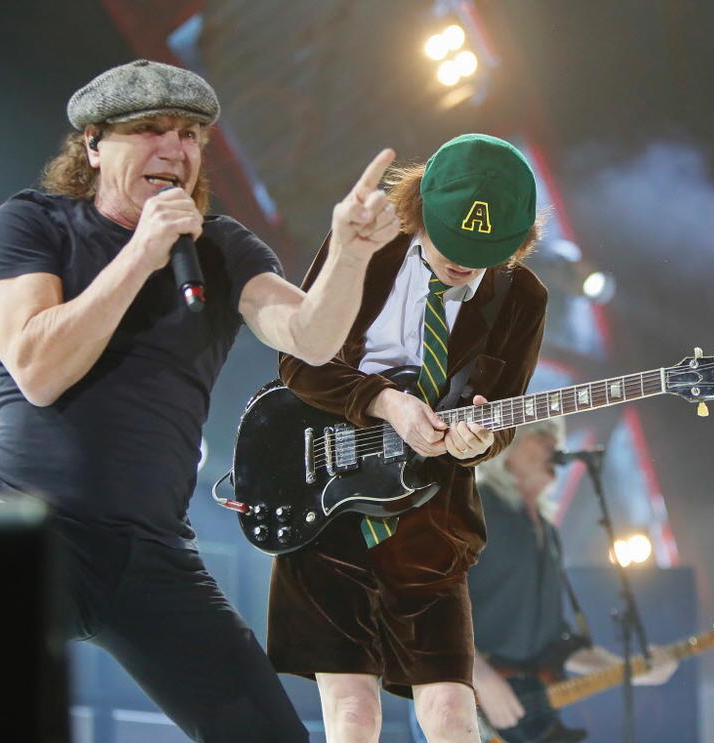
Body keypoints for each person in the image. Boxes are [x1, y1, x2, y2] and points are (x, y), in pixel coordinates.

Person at [0, 59, 400, 743]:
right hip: (32, 533)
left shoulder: (221, 247)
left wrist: (349, 254)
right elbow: (37, 368)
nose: (176, 149)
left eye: (191, 134)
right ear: (92, 143)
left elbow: (311, 338)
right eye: (151, 129)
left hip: (149, 553)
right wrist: (141, 253)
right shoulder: (32, 223)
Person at [267, 133, 549, 743]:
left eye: (485, 252)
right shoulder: (367, 246)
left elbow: (502, 416)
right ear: (421, 209)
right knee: (353, 713)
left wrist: (480, 443)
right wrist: (384, 401)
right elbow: (297, 362)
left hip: (432, 516)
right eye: (453, 241)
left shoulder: (522, 297)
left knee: (453, 715)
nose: (464, 263)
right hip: (329, 495)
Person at [466, 420, 679, 743]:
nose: (554, 446)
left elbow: (554, 645)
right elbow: (433, 602)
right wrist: (481, 677)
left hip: (526, 722)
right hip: (464, 702)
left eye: (556, 439)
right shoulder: (475, 509)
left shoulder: (547, 532)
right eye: (542, 437)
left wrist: (632, 670)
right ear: (505, 448)